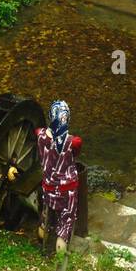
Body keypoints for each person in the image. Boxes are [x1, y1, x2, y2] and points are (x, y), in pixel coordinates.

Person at [36, 100, 82, 252]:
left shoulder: (40, 135)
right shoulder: (73, 141)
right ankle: (60, 257)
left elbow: (39, 131)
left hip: (48, 186)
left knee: (46, 212)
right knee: (65, 222)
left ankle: (42, 237)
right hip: (66, 189)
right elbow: (75, 153)